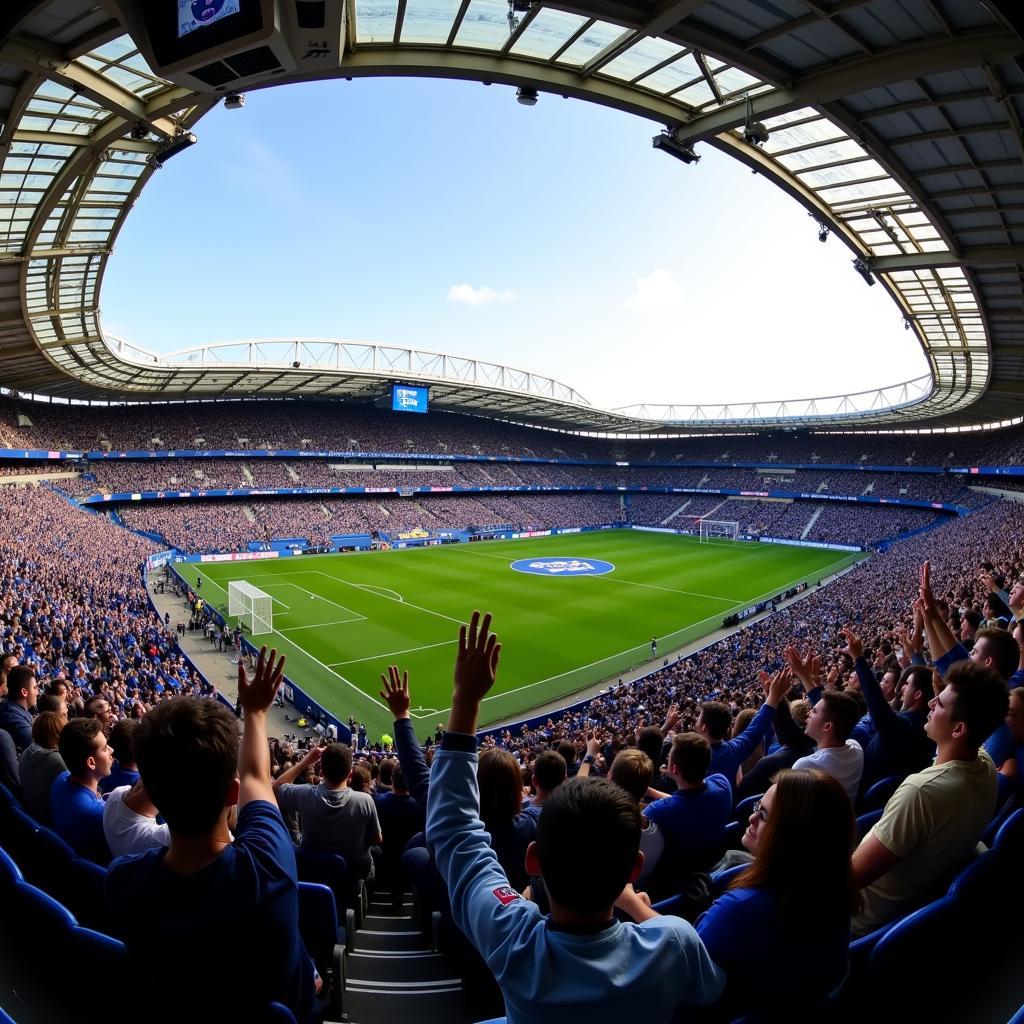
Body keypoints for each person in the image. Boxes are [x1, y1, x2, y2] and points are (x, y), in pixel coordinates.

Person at [425, 612, 725, 1021]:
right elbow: (712, 991)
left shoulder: (515, 943)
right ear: (632, 870)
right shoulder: (673, 942)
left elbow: (456, 834)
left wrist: (465, 701)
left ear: (534, 861)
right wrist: (641, 911)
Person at [105, 647, 317, 1023]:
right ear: (231, 795)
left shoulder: (122, 879)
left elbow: (249, 778)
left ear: (150, 791)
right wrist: (254, 712)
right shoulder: (267, 868)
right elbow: (255, 776)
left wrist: (252, 712)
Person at [851, 660, 1008, 936]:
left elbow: (849, 880)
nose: (932, 702)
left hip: (855, 918)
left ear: (959, 730)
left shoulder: (920, 791)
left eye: (941, 703)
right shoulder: (984, 764)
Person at [695, 769, 856, 1021]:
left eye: (764, 814)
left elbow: (684, 967)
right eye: (758, 806)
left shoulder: (741, 909)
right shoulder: (835, 890)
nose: (751, 818)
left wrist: (635, 904)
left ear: (791, 835)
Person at [273, 740, 382, 881]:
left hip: (313, 871)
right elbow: (376, 839)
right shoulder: (365, 800)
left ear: (322, 771)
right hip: (353, 875)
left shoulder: (305, 794)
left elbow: (275, 788)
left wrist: (305, 762)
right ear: (350, 774)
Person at [50, 717, 113, 864]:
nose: (111, 750)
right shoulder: (99, 813)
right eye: (105, 748)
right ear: (91, 763)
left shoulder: (60, 779)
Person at [790, 688, 864, 802]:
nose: (808, 713)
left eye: (814, 711)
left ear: (827, 726)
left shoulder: (804, 766)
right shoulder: (856, 747)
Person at [18, 710, 67, 823]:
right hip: (51, 820)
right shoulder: (55, 760)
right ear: (57, 734)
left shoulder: (28, 751)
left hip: (34, 814)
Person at [0, 665, 37, 754]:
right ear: (24, 692)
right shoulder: (12, 717)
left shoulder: (14, 710)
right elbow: (40, 747)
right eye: (35, 688)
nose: (37, 692)